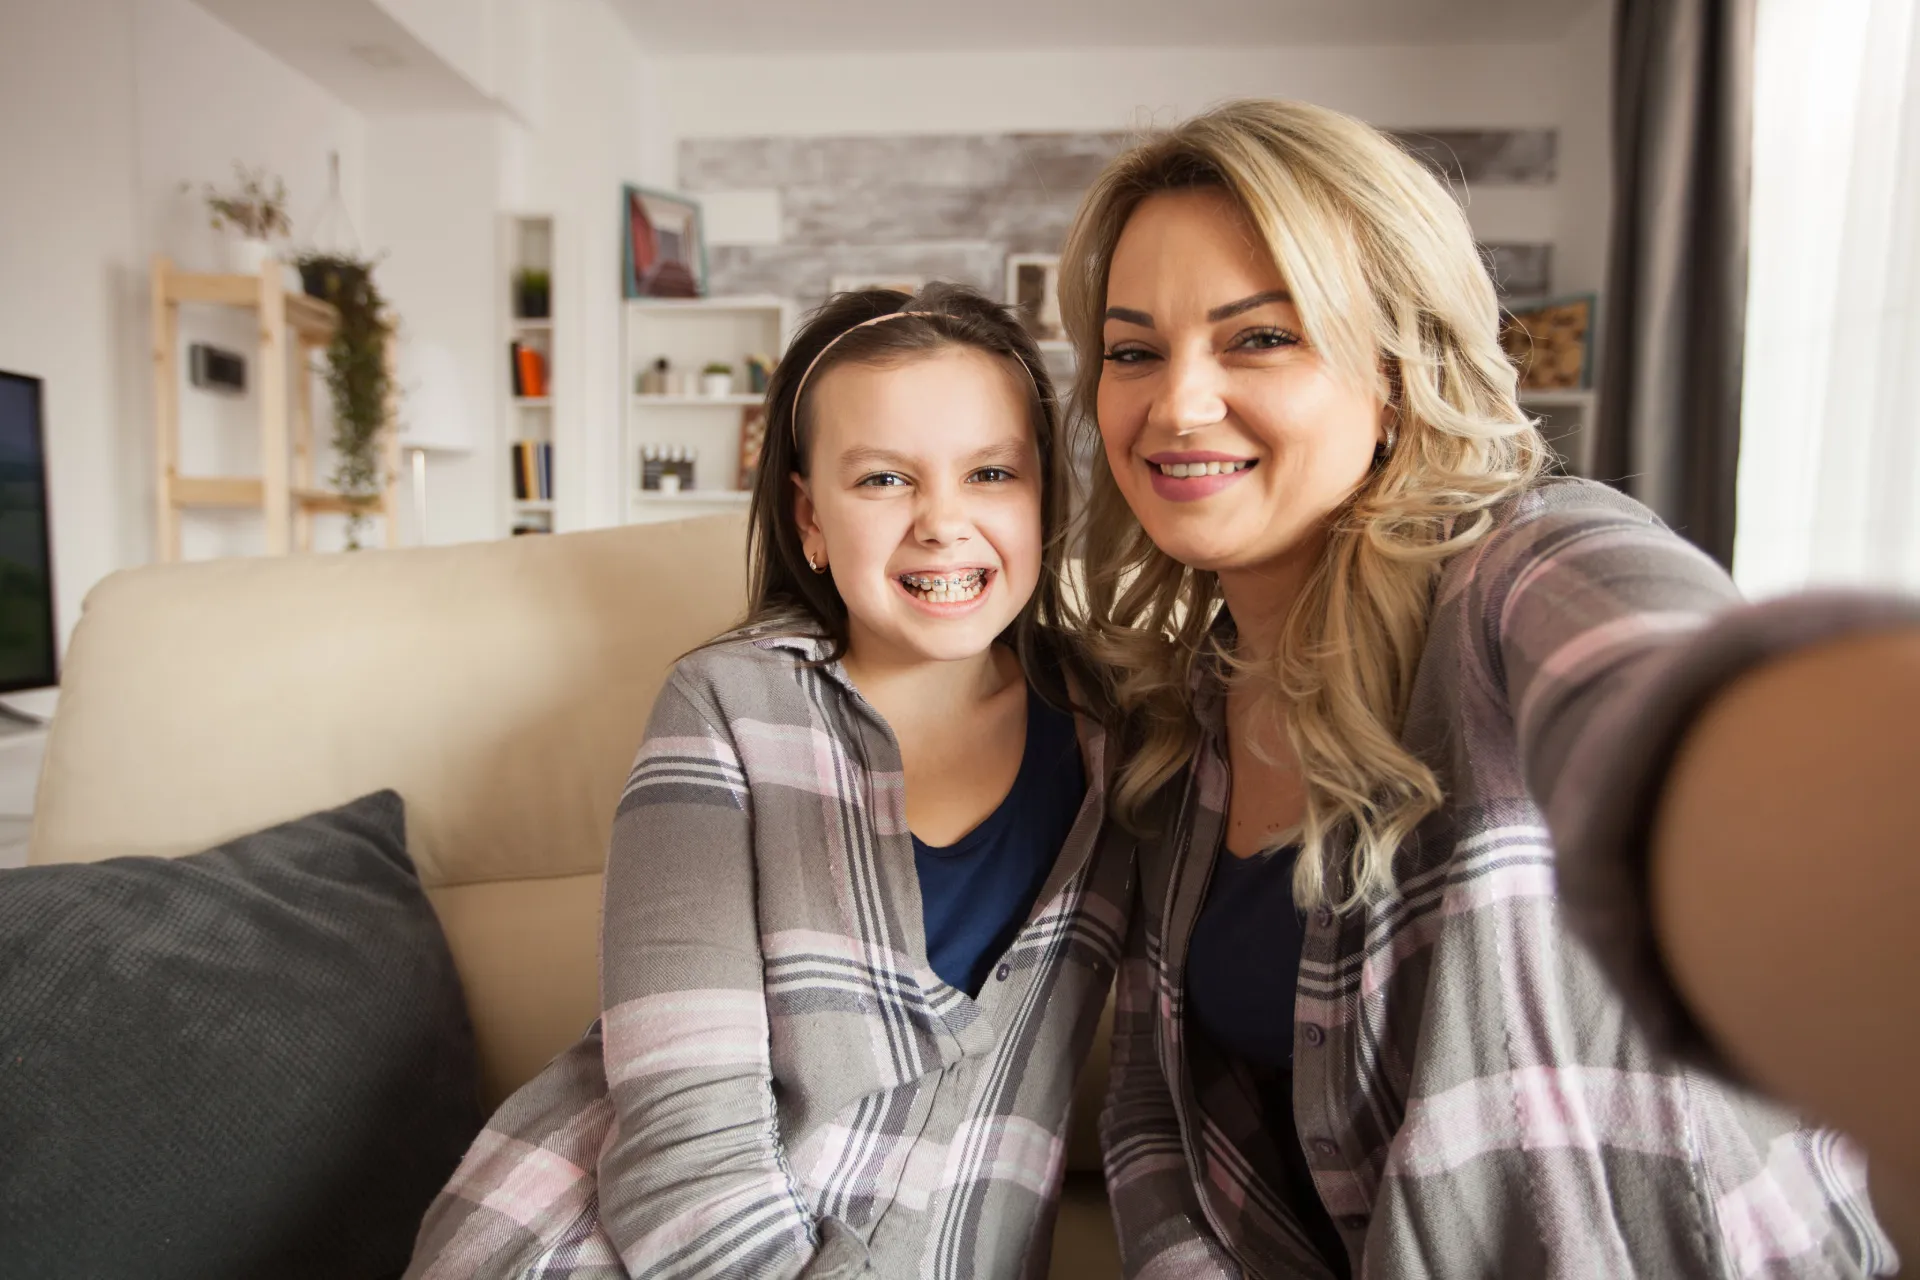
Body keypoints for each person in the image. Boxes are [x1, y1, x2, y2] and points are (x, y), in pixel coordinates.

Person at [1065, 99, 1908, 1278]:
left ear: (1399, 371)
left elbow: (1679, 686)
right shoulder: (1181, 715)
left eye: (1261, 336)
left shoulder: (1527, 569)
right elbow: (1160, 1120)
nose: (1175, 403)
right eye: (1134, 348)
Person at [406, 284, 1129, 1279]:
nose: (943, 521)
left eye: (992, 471)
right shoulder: (725, 706)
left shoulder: (1122, 734)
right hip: (619, 1242)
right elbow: (680, 1131)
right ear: (811, 516)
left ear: (1043, 497)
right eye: (883, 480)